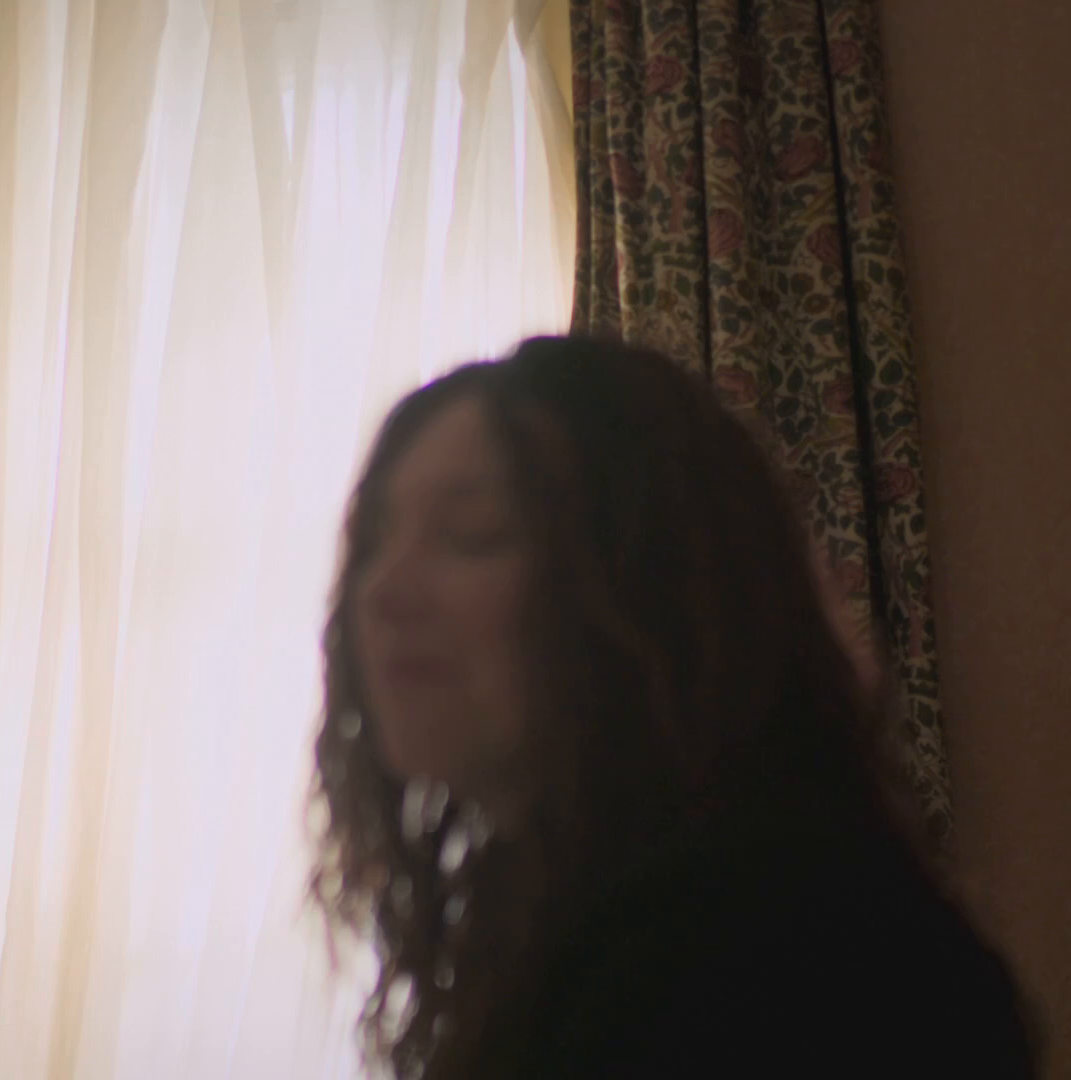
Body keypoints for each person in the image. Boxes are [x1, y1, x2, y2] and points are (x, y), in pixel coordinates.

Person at [309, 336, 1035, 1079]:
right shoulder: (546, 923)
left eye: (473, 536)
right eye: (375, 540)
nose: (383, 590)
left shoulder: (804, 955)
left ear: (651, 586)